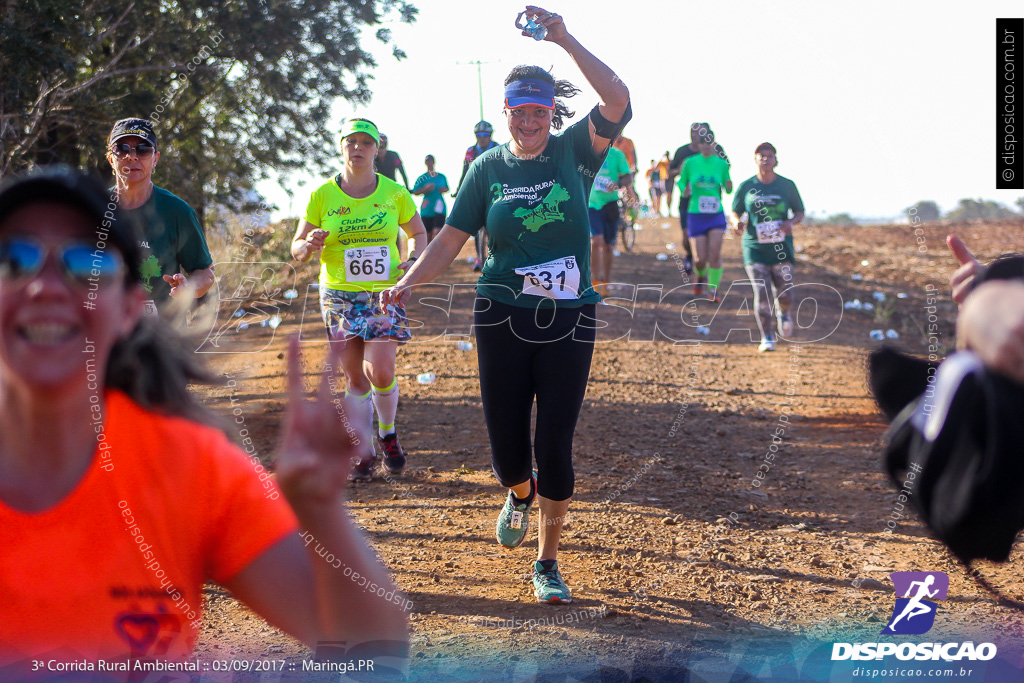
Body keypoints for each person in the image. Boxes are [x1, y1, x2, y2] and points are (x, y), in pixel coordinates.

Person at [0, 166, 408, 667]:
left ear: (130, 307)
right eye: (11, 258)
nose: (45, 288)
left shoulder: (187, 466)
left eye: (87, 263)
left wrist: (321, 511)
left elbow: (369, 647)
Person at [381, 5, 630, 605]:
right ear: (507, 113)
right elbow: (449, 237)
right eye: (520, 111)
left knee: (556, 445)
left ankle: (547, 563)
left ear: (552, 113)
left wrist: (565, 37)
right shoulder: (486, 167)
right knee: (507, 451)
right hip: (500, 314)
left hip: (569, 316)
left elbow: (618, 98)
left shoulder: (575, 151)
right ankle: (519, 494)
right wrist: (410, 280)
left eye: (540, 110)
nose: (530, 121)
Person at [291, 118, 427, 481]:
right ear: (341, 147)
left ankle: (388, 434)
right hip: (338, 295)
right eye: (351, 142)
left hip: (382, 295)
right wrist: (308, 245)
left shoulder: (395, 193)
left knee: (380, 369)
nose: (358, 148)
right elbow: (297, 248)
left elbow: (417, 232)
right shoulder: (322, 195)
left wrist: (411, 263)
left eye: (365, 143)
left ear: (376, 149)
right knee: (355, 378)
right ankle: (362, 450)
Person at [106, 118, 215, 316]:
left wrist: (188, 287)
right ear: (110, 159)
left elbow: (205, 272)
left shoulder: (177, 211)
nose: (132, 156)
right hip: (102, 338)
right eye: (122, 149)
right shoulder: (92, 209)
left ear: (155, 159)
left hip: (162, 338)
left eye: (143, 149)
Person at [730, 142, 804, 352]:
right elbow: (735, 211)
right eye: (761, 155)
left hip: (782, 249)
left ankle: (784, 313)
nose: (765, 159)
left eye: (769, 155)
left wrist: (791, 222)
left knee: (786, 294)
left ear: (775, 160)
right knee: (762, 293)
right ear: (755, 159)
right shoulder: (747, 186)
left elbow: (799, 211)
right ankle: (767, 336)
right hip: (755, 248)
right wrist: (736, 222)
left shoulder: (787, 185)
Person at [668, 122, 730, 275]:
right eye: (693, 133)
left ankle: (706, 265)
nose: (695, 136)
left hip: (712, 201)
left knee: (711, 241)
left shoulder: (717, 150)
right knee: (686, 236)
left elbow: (726, 168)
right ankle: (692, 256)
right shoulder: (683, 152)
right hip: (688, 201)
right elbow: (669, 173)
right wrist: (679, 170)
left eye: (700, 133)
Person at [679, 128, 732, 301]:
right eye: (703, 142)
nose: (707, 146)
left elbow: (728, 187)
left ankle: (713, 290)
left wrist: (729, 185)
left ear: (714, 144)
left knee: (714, 254)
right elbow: (681, 184)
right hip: (696, 215)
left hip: (716, 215)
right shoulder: (690, 162)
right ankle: (700, 275)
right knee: (700, 259)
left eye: (710, 142)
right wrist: (685, 190)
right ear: (698, 145)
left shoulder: (721, 164)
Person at [453, 120, 500, 272]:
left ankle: (496, 257)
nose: (482, 138)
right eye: (479, 135)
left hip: (495, 194)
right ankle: (480, 258)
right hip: (477, 193)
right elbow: (465, 172)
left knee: (494, 227)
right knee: (478, 228)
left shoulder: (498, 148)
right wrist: (460, 189)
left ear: (490, 135)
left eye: (485, 134)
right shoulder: (471, 151)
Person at [589, 144, 634, 294]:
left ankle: (606, 282)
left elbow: (628, 176)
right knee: (596, 242)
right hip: (592, 203)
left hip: (610, 204)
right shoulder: (587, 151)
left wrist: (618, 184)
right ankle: (595, 280)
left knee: (608, 246)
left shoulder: (617, 154)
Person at [412, 155, 449, 243]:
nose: (430, 163)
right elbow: (415, 191)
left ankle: (438, 252)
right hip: (427, 208)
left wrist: (443, 189)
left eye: (431, 161)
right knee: (427, 234)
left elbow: (447, 188)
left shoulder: (441, 177)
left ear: (434, 162)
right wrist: (425, 189)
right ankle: (429, 253)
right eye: (428, 161)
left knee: (437, 231)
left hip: (439, 207)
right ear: (425, 163)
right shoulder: (422, 178)